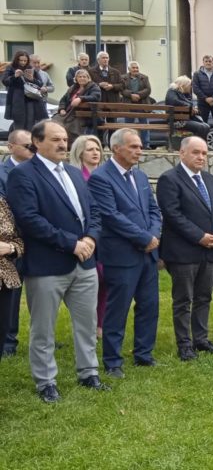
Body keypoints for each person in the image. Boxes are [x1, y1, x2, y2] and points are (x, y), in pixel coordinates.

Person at [7, 121, 106, 402]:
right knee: (43, 328)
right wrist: (72, 244)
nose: (63, 144)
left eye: (64, 139)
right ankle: (45, 382)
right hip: (47, 265)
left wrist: (90, 240)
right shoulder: (24, 175)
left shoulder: (75, 174)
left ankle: (89, 373)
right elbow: (30, 220)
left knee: (86, 324)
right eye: (55, 139)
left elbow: (94, 212)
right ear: (37, 142)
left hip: (84, 264)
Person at [86, 128, 162, 377]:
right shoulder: (101, 178)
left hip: (147, 255)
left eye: (140, 146)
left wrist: (154, 235)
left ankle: (143, 354)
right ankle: (112, 361)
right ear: (116, 148)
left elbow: (153, 209)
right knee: (117, 309)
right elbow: (111, 216)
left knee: (149, 305)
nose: (139, 150)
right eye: (133, 146)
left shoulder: (139, 176)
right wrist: (144, 238)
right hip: (122, 255)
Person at [157, 136, 213, 361]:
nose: (201, 157)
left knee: (204, 296)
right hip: (183, 252)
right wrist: (200, 237)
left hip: (210, 249)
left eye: (205, 153)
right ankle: (184, 344)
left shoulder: (210, 180)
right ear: (182, 153)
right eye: (196, 152)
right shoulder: (170, 179)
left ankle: (201, 339)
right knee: (183, 299)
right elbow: (173, 215)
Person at [66, 135, 107, 339]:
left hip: (106, 237)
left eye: (98, 149)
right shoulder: (73, 176)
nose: (95, 152)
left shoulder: (106, 175)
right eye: (90, 149)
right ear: (80, 152)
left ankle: (100, 324)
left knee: (105, 281)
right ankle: (87, 324)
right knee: (92, 281)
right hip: (84, 237)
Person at [0, 130, 33, 354]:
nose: (33, 150)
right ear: (11, 147)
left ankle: (40, 334)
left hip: (36, 240)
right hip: (11, 240)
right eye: (27, 146)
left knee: (38, 291)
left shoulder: (37, 170)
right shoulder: (2, 173)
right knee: (11, 292)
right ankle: (8, 341)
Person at [0, 194, 23, 366]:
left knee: (2, 331)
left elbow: (19, 240)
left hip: (5, 279)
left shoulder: (2, 202)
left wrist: (10, 247)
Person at [3, 51, 45, 131]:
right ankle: (18, 141)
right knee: (18, 124)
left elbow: (40, 83)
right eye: (20, 60)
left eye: (25, 61)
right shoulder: (11, 67)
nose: (23, 62)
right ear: (16, 59)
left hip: (31, 99)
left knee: (30, 123)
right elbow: (5, 81)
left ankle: (28, 142)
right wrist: (14, 76)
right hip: (17, 99)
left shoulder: (30, 68)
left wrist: (32, 79)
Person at [192, 55, 213, 150]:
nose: (208, 63)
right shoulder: (197, 74)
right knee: (202, 124)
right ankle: (201, 145)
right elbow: (195, 88)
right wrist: (206, 98)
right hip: (202, 103)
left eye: (210, 61)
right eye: (206, 61)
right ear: (203, 62)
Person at [165, 76, 211, 141]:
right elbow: (174, 101)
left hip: (185, 119)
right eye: (189, 85)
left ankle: (200, 145)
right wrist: (189, 106)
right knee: (201, 127)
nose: (190, 87)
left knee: (206, 126)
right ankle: (197, 145)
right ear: (184, 85)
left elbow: (189, 103)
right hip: (176, 121)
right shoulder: (172, 91)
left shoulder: (185, 93)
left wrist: (193, 108)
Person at [121, 61, 154, 149]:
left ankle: (146, 144)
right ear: (129, 69)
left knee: (144, 125)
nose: (135, 69)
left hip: (142, 104)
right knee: (128, 126)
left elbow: (148, 89)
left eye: (137, 68)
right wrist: (131, 95)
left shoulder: (144, 77)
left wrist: (138, 95)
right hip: (129, 104)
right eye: (133, 68)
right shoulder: (123, 78)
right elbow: (122, 90)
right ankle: (127, 143)